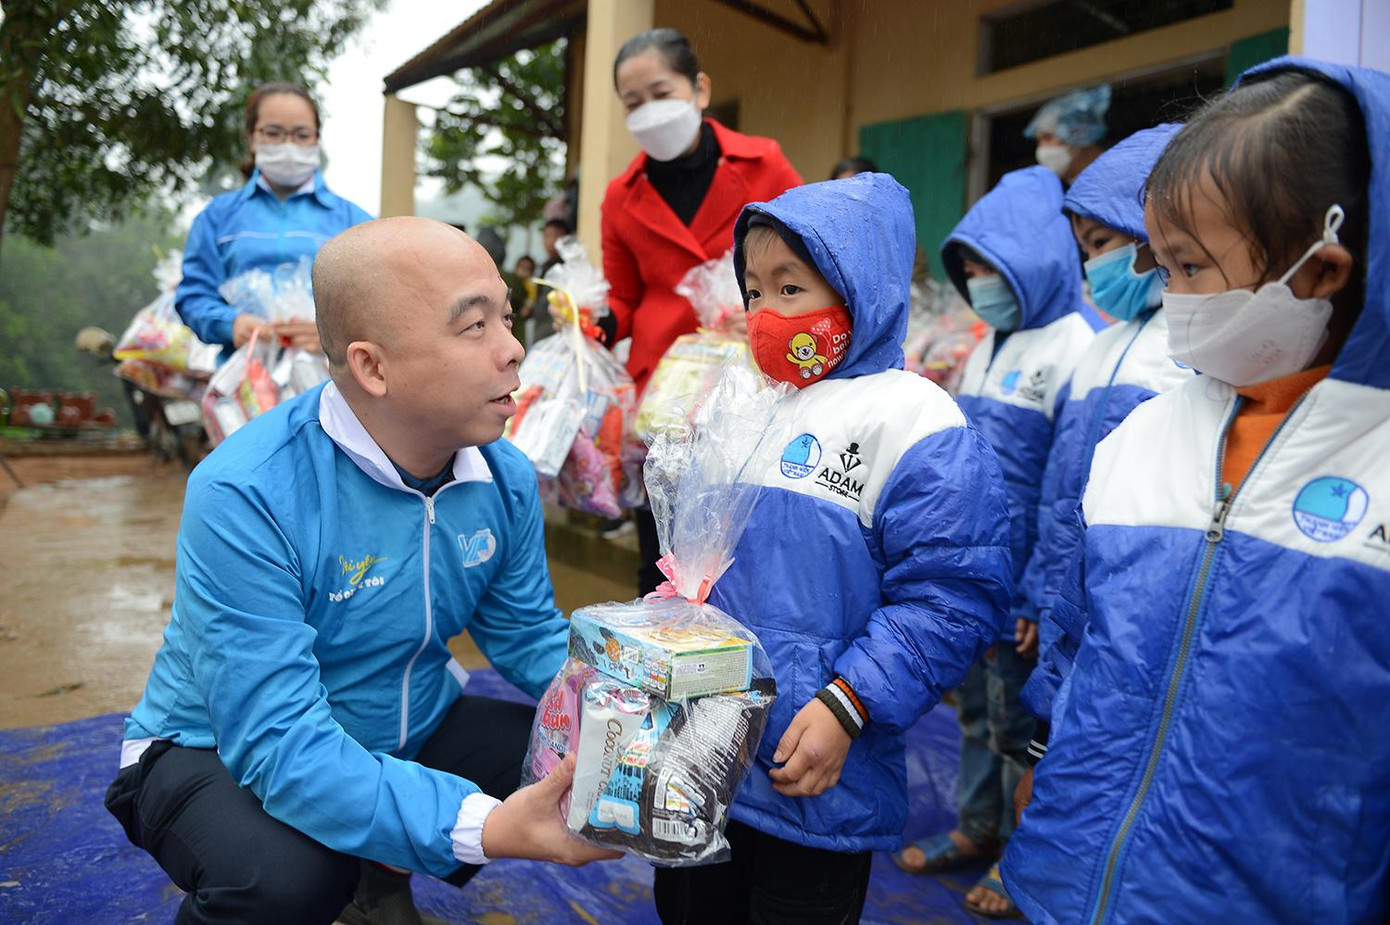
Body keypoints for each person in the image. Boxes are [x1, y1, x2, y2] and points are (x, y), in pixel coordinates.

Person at [104, 218, 620, 925]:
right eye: (474, 326)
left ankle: (377, 875)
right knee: (286, 881)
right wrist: (488, 826)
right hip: (215, 746)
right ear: (372, 366)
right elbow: (279, 742)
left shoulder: (501, 474)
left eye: (506, 314)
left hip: (404, 717)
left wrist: (634, 699)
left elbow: (529, 634)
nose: (513, 349)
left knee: (593, 764)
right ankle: (337, 870)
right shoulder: (248, 491)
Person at [1002, 58, 1389, 923]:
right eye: (1158, 264)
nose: (1165, 295)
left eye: (1190, 267)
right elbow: (1077, 639)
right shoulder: (1141, 439)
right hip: (1076, 889)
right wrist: (1046, 755)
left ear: (1321, 270)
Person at [652, 173, 1013, 923]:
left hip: (813, 765)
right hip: (704, 753)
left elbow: (951, 594)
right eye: (753, 291)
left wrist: (851, 703)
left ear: (860, 289)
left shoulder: (915, 421)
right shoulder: (750, 405)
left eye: (792, 289)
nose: (764, 314)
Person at [893, 166, 1101, 917]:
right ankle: (978, 827)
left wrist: (1042, 594)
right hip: (981, 577)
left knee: (1023, 728)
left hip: (1024, 591)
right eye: (970, 269)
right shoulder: (990, 344)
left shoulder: (1076, 345)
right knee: (977, 712)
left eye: (990, 266)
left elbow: (1070, 490)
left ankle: (1024, 857)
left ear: (1037, 259)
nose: (978, 281)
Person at [1014, 125, 1197, 789]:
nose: (1092, 265)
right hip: (1067, 589)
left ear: (1149, 234)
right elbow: (1055, 491)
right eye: (1083, 249)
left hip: (1130, 594)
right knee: (1046, 751)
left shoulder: (1189, 348)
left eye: (1102, 243)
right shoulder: (1098, 346)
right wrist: (1039, 591)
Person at [602, 27, 802, 594]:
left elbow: (808, 267)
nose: (649, 113)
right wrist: (596, 322)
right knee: (660, 556)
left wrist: (767, 308)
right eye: (632, 104)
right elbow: (624, 295)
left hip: (752, 385)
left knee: (743, 551)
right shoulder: (621, 194)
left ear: (700, 88)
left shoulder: (765, 165)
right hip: (665, 396)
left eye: (661, 93)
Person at [176, 82, 372, 357]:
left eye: (301, 135)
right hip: (242, 381)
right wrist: (231, 324)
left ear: (316, 139)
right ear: (252, 138)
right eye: (273, 133)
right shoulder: (217, 217)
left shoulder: (355, 222)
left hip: (330, 387)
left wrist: (334, 335)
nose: (288, 145)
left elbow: (376, 304)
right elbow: (193, 295)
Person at [1024, 85, 1110, 185]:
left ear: (1078, 133)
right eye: (1038, 141)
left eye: (1048, 138)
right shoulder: (1072, 192)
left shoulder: (1120, 176)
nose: (1042, 149)